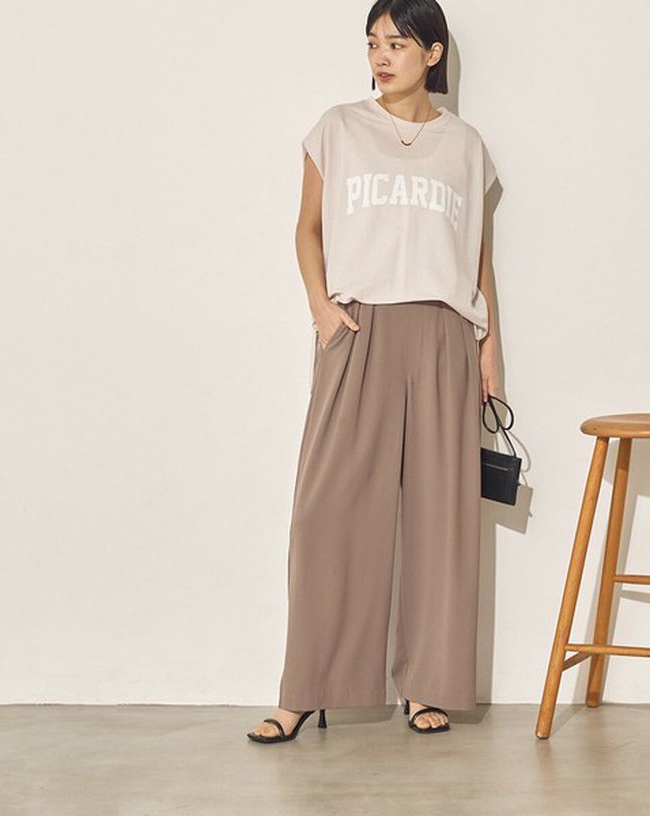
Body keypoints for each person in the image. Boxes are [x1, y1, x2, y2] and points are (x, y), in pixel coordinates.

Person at [247, 0, 500, 743]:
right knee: (327, 514)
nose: (381, 56)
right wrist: (322, 310)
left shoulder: (465, 145)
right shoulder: (338, 127)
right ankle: (306, 690)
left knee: (439, 518)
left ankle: (430, 685)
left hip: (444, 330)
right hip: (357, 328)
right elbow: (307, 228)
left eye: (397, 43)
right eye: (372, 43)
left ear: (433, 52)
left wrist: (490, 348)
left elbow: (478, 255)